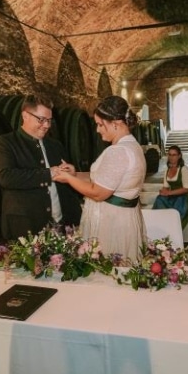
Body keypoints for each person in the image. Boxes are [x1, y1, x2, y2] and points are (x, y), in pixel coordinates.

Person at [53, 95, 146, 262]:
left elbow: (98, 193)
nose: (97, 130)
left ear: (115, 124)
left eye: (100, 124)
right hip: (123, 219)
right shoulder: (131, 146)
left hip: (110, 223)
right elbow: (105, 178)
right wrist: (75, 174)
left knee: (106, 270)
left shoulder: (117, 152)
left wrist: (68, 179)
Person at [0, 95, 82, 240]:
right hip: (26, 226)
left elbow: (64, 182)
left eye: (49, 120)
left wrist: (71, 171)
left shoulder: (55, 145)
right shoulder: (4, 143)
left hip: (60, 224)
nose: (46, 125)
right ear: (25, 116)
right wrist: (48, 174)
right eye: (41, 119)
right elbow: (6, 177)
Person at [152, 145, 188, 228]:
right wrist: (163, 191)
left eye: (174, 155)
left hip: (183, 198)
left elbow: (186, 189)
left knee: (177, 205)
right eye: (170, 155)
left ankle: (173, 229)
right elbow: (165, 186)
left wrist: (168, 193)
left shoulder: (183, 169)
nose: (171, 157)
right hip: (172, 196)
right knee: (159, 199)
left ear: (179, 156)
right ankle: (158, 226)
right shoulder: (167, 169)